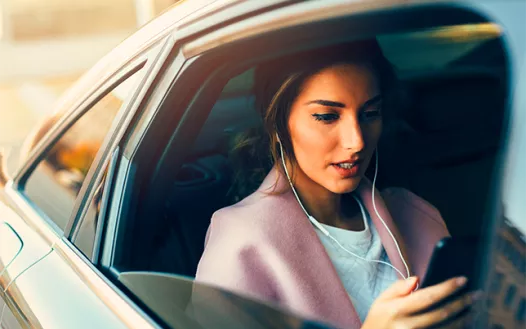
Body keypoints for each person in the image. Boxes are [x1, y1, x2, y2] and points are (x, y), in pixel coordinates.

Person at [194, 40, 480, 328]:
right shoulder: (241, 245)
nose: (356, 141)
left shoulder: (416, 214)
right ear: (278, 122)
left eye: (370, 114)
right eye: (327, 116)